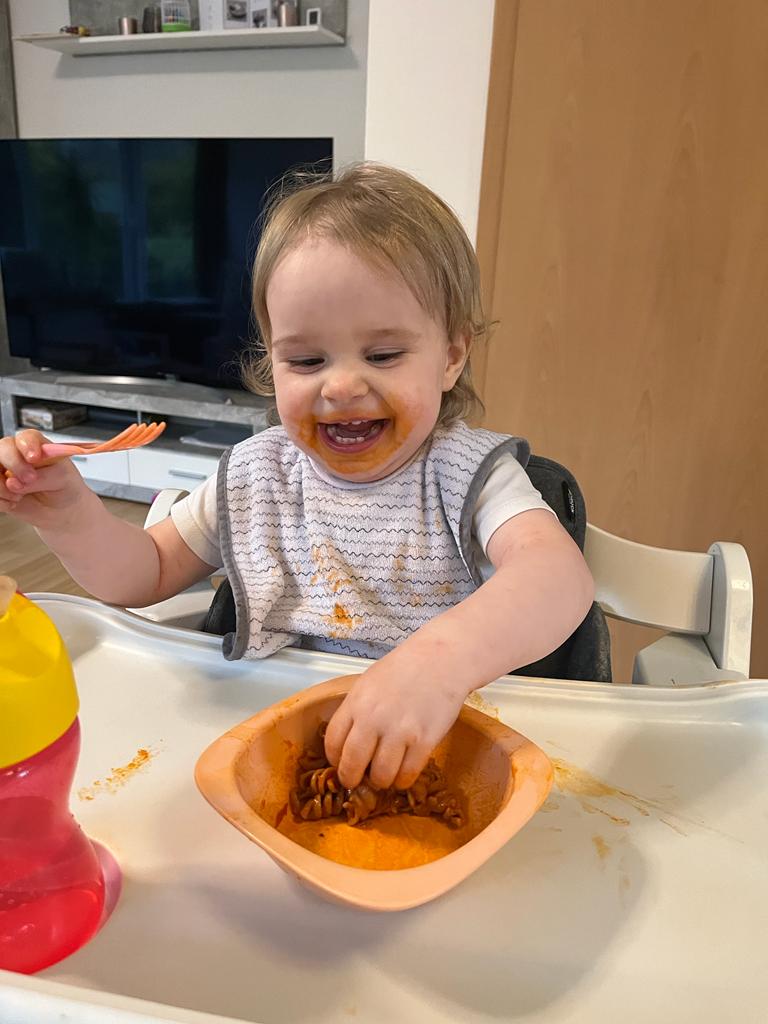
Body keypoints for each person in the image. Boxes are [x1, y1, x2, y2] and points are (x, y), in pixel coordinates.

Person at [0, 163, 593, 794]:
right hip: (285, 751)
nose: (341, 385)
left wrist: (438, 665)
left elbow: (557, 578)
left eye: (383, 355)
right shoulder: (260, 477)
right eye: (307, 360)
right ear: (272, 360)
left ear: (451, 356)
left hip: (445, 753)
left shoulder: (470, 477)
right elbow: (143, 573)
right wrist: (68, 513)